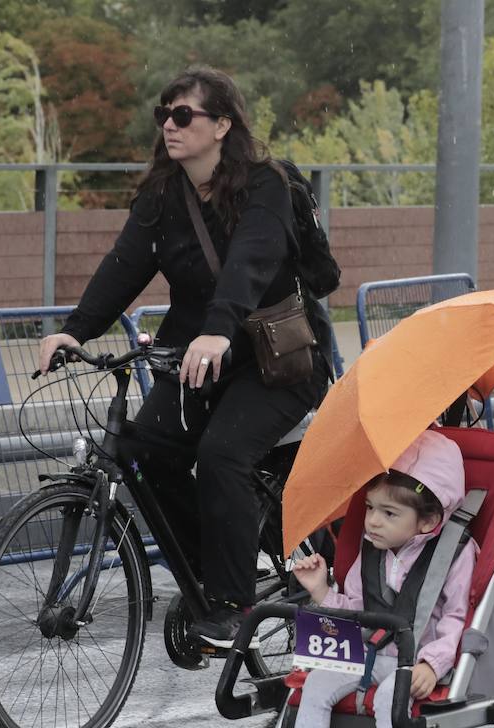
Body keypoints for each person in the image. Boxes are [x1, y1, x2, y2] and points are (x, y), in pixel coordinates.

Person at [37, 67, 332, 646]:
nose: (170, 126)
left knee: (223, 453)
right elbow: (124, 265)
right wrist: (76, 330)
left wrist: (220, 330)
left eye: (184, 115)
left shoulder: (265, 185)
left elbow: (252, 260)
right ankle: (209, 570)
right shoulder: (163, 194)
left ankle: (230, 602)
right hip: (195, 358)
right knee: (144, 454)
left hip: (276, 361)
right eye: (163, 116)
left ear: (222, 124)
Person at [256, 430, 475, 728]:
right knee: (319, 682)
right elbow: (355, 613)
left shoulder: (456, 553)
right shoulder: (370, 549)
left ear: (427, 520)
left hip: (418, 660)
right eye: (371, 507)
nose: (372, 520)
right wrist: (322, 591)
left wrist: (433, 663)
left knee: (394, 692)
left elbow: (457, 619)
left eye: (389, 514)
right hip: (370, 655)